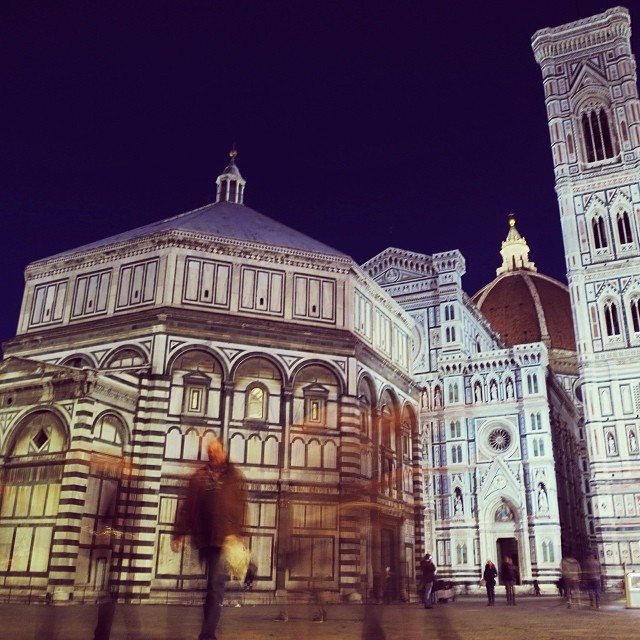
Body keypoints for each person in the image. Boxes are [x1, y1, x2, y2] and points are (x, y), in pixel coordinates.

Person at [172, 436, 247, 640]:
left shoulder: (234, 476)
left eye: (216, 451)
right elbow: (187, 506)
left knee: (215, 585)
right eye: (209, 452)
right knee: (211, 587)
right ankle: (208, 630)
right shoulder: (199, 477)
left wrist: (240, 534)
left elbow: (242, 506)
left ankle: (207, 634)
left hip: (225, 540)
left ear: (223, 452)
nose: (212, 455)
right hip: (205, 540)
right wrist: (179, 532)